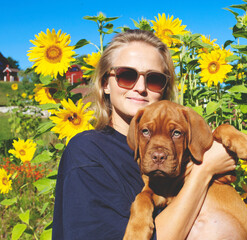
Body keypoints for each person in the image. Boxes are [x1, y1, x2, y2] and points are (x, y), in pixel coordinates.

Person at [52, 29, 237, 240]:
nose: (140, 87)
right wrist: (205, 170)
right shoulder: (87, 152)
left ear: (164, 89)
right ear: (105, 83)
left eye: (154, 79)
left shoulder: (182, 143)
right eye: (126, 75)